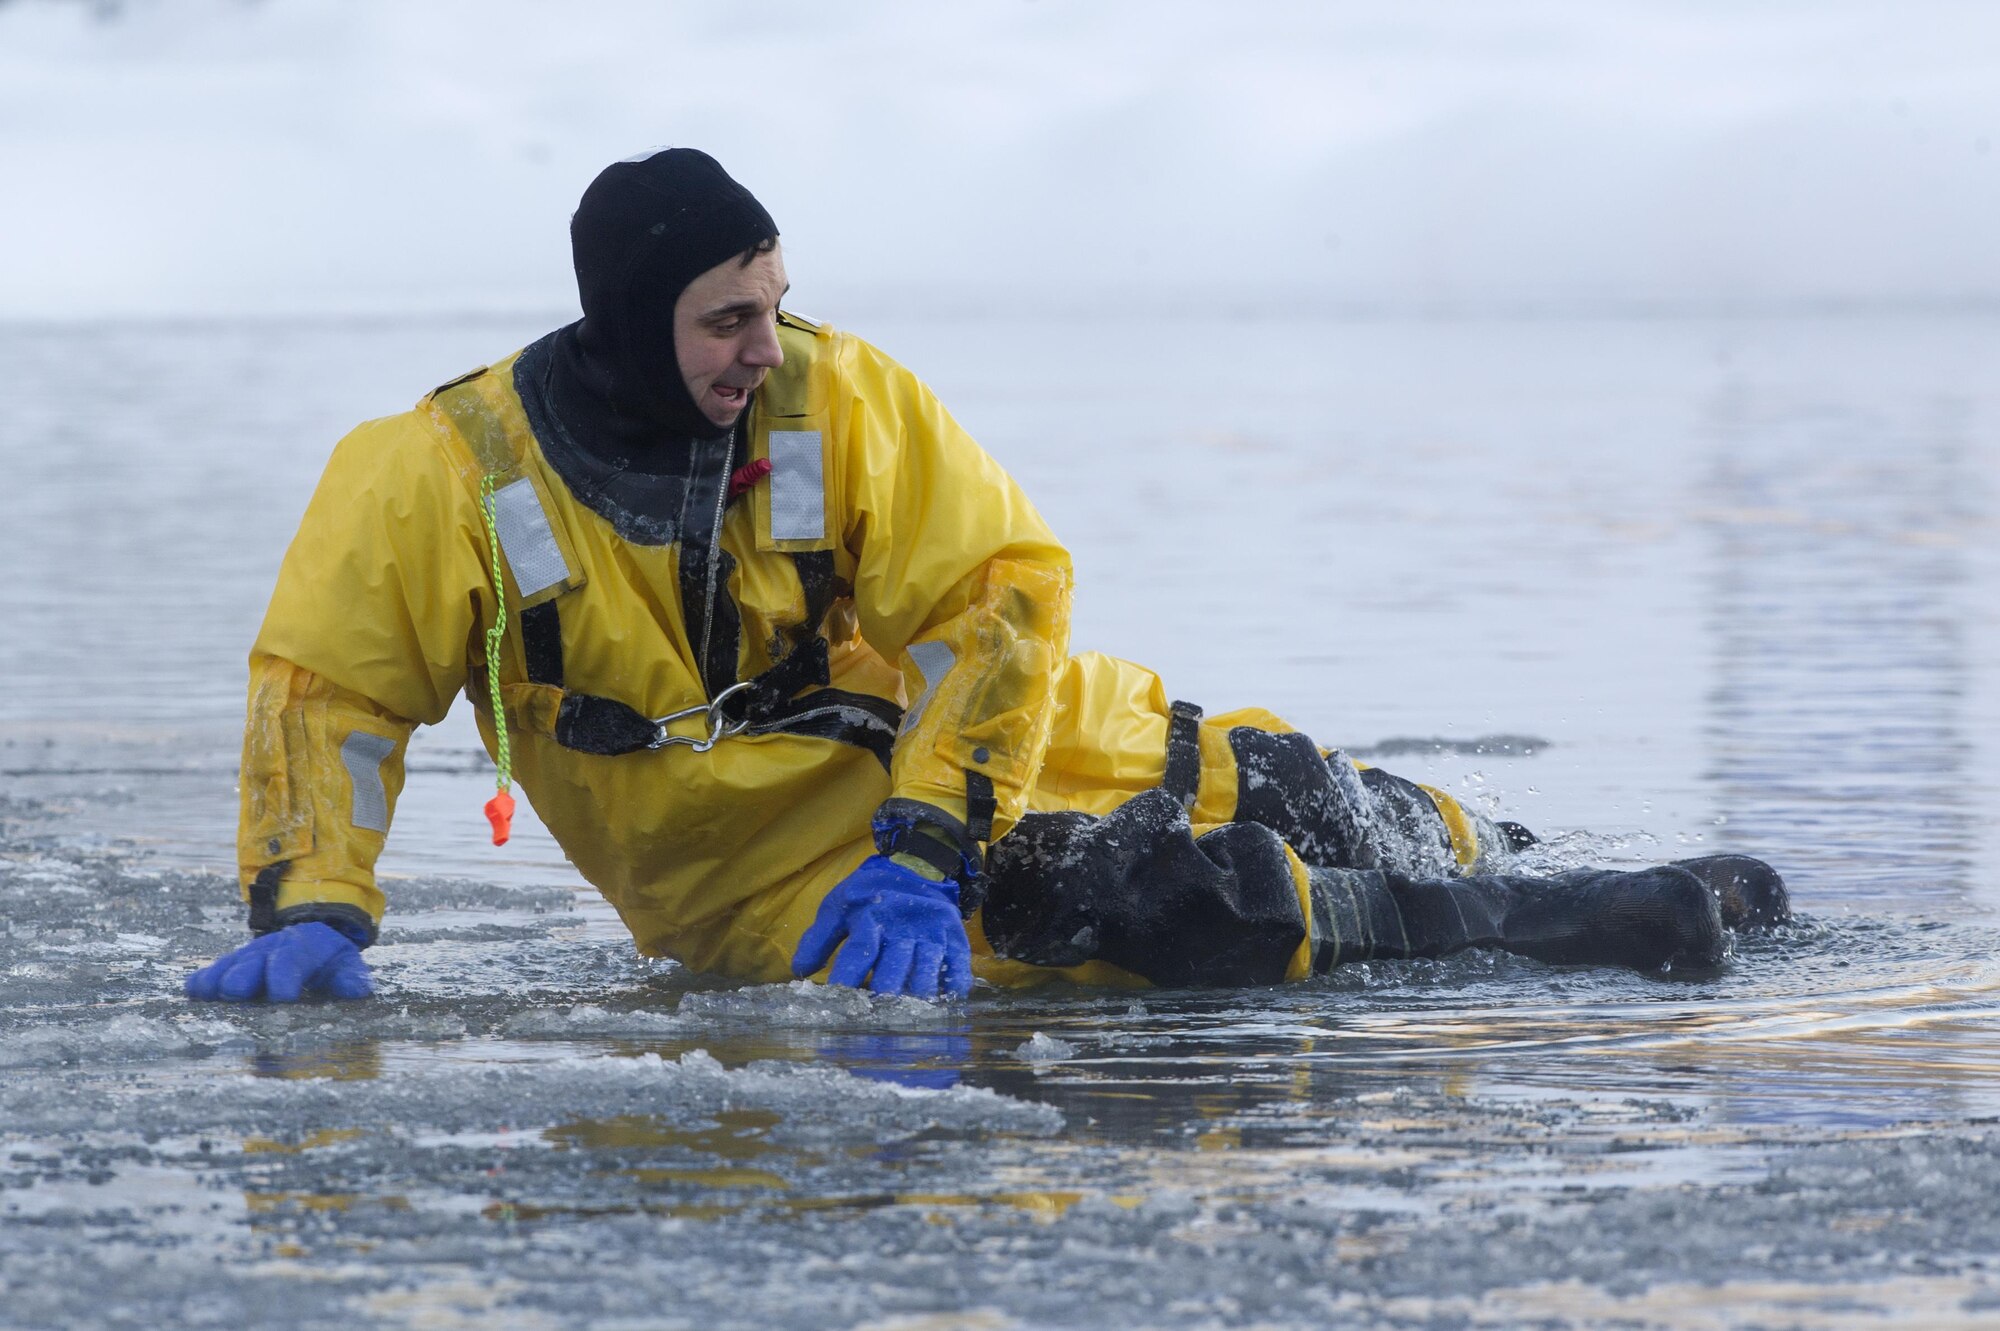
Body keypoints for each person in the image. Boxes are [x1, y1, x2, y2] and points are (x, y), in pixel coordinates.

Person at [185, 149, 1788, 1006]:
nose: (766, 344)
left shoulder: (837, 394)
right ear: (631, 317)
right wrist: (313, 898)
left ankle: (1474, 840)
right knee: (1143, 902)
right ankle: (1550, 921)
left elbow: (1003, 599)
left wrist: (928, 830)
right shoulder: (437, 475)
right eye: (727, 317)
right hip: (762, 882)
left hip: (956, 767)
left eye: (775, 303)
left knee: (1267, 776)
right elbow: (330, 693)